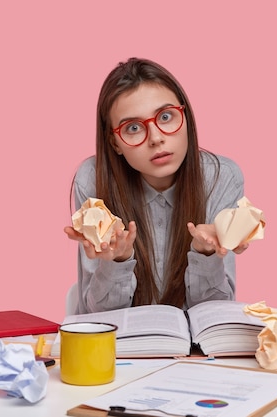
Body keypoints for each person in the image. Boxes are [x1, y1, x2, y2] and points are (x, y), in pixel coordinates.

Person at [64, 57, 249, 314]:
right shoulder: (92, 178)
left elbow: (215, 315)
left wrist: (205, 255)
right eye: (133, 128)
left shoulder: (222, 177)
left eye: (165, 116)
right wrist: (118, 261)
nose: (157, 138)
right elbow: (96, 316)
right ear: (115, 143)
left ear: (186, 116)